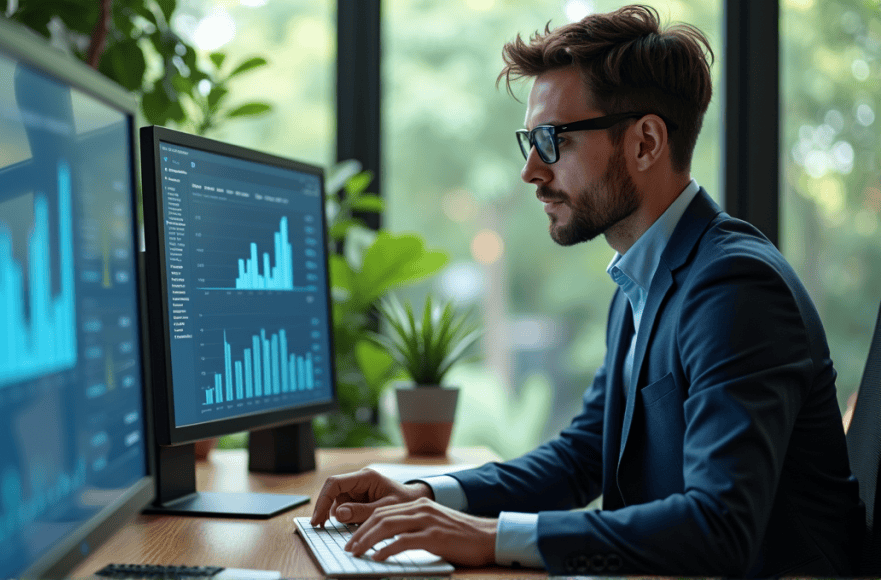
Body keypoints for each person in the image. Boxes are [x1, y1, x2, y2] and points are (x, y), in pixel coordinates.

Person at [310, 4, 866, 577]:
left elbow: (718, 526)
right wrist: (428, 494)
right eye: (529, 139)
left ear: (646, 142)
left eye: (552, 139)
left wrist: (490, 537)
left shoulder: (736, 286)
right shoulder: (642, 276)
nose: (531, 169)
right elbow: (585, 456)